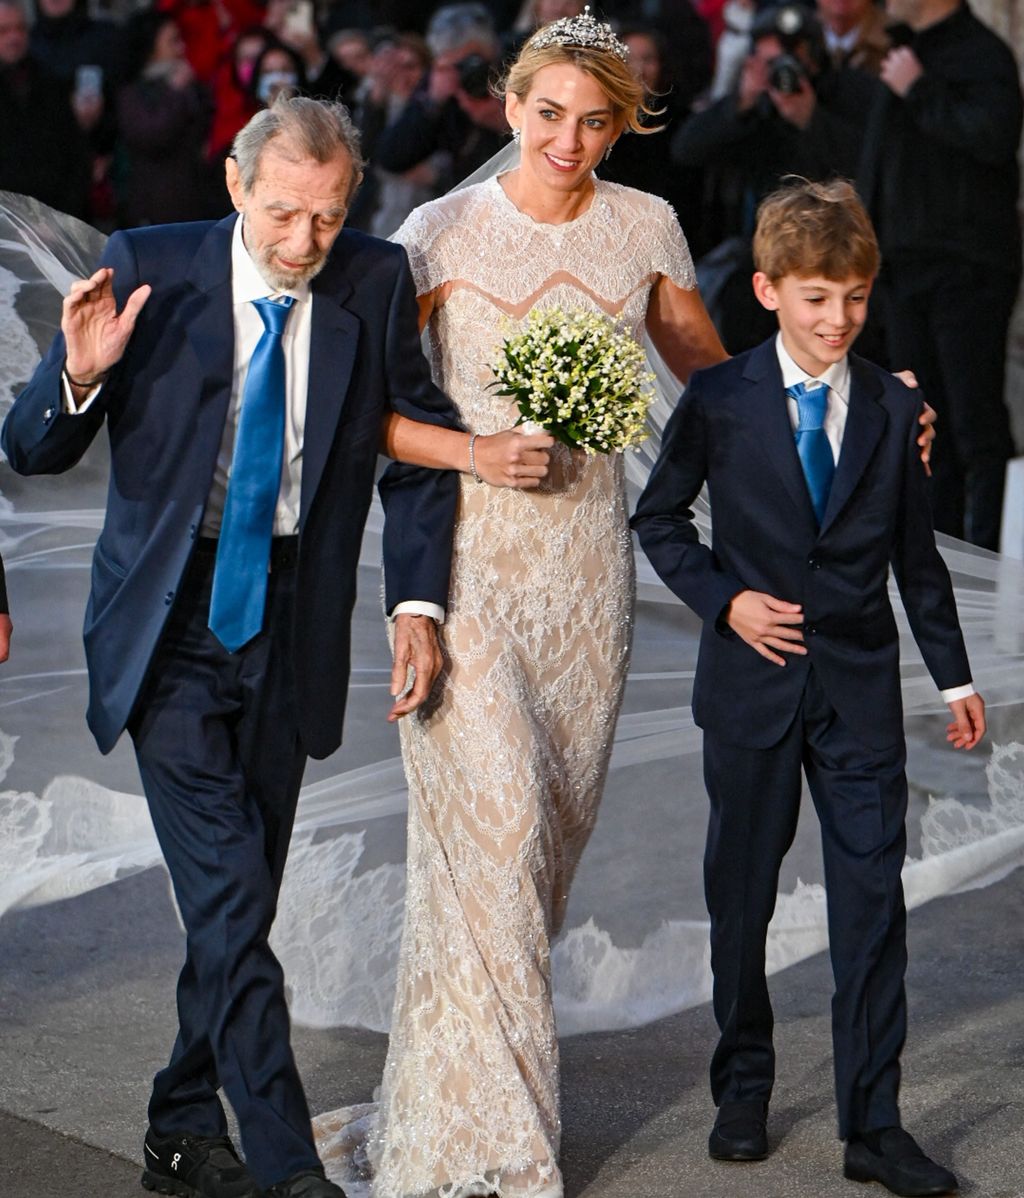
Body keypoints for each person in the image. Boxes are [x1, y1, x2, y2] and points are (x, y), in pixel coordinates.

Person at [1, 96, 464, 1198]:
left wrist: (416, 605)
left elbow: (415, 449)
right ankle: (287, 1162)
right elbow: (29, 444)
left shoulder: (372, 279)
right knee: (225, 897)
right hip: (168, 619)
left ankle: (176, 1122)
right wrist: (78, 376)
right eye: (284, 214)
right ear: (235, 185)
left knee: (239, 899)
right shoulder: (149, 266)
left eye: (328, 215)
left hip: (292, 615)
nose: (304, 242)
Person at [314, 11, 730, 1198]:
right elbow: (365, 412)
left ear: (622, 123)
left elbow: (713, 378)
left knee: (534, 854)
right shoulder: (438, 234)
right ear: (509, 106)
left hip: (588, 586)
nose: (570, 138)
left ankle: (440, 1102)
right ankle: (501, 1151)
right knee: (488, 842)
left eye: (596, 119)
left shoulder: (643, 223)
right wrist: (469, 453)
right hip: (470, 580)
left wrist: (845, 384)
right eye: (550, 112)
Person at [632, 178, 985, 1198]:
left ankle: (873, 1121)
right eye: (818, 298)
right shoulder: (720, 400)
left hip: (861, 689)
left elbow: (915, 559)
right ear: (769, 290)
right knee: (739, 900)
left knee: (873, 904)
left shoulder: (892, 404)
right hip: (748, 684)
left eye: (856, 300)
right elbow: (659, 521)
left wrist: (950, 674)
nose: (839, 321)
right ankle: (742, 1082)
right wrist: (725, 600)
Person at [858, 0, 1022, 551]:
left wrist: (920, 89)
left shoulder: (982, 54)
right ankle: (941, 559)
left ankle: (995, 570)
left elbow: (993, 139)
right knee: (922, 423)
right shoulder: (906, 50)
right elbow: (878, 162)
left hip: (966, 271)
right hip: (903, 272)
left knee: (975, 426)